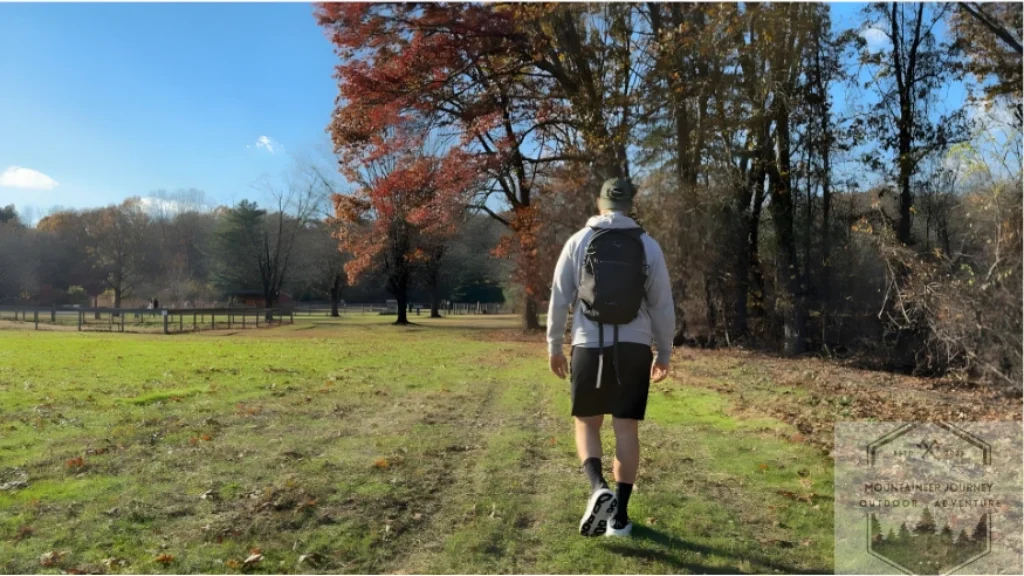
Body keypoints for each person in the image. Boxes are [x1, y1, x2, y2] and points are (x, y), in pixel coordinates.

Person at [546, 177, 675, 538]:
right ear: (631, 205)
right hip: (634, 347)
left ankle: (596, 487)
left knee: (587, 423)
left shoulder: (578, 241)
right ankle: (619, 519)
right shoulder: (648, 246)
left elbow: (559, 298)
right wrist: (663, 351)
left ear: (599, 202)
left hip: (588, 344)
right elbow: (662, 304)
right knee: (626, 428)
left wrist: (554, 345)